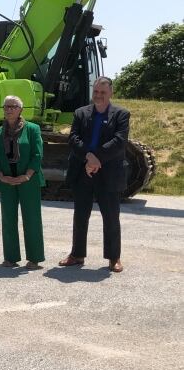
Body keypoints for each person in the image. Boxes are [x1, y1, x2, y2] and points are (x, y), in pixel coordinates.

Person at [59, 76, 127, 273]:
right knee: (80, 216)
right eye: (96, 92)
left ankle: (114, 258)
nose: (98, 96)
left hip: (109, 173)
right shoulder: (81, 113)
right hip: (83, 172)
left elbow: (119, 140)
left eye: (103, 92)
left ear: (111, 93)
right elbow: (73, 138)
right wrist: (89, 157)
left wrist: (97, 159)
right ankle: (77, 254)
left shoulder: (121, 114)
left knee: (111, 217)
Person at [0, 95, 45, 270]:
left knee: (32, 218)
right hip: (6, 180)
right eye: (6, 106)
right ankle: (11, 257)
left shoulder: (33, 129)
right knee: (8, 219)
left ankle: (34, 258)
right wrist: (1, 176)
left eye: (13, 106)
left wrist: (27, 175)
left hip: (28, 180)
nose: (9, 109)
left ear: (21, 109)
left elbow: (37, 155)